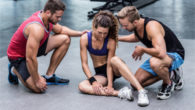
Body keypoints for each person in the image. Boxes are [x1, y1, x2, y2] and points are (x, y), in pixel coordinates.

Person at [7, 0, 87, 93]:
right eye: (58, 17)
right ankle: (14, 70)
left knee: (65, 39)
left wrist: (80, 33)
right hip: (18, 57)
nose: (59, 19)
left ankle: (49, 76)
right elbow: (30, 58)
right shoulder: (36, 28)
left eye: (60, 16)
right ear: (48, 12)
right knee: (38, 88)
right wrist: (37, 80)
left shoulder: (46, 18)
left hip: (33, 48)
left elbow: (61, 29)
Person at [78, 11, 149, 106]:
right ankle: (120, 93)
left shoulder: (111, 41)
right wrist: (93, 81)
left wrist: (110, 85)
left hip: (113, 68)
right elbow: (84, 64)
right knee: (82, 86)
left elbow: (109, 65)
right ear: (94, 27)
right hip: (101, 74)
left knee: (114, 59)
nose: (102, 36)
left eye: (105, 33)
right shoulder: (84, 39)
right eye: (100, 32)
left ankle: (141, 91)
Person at [116, 6, 185, 100]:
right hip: (159, 56)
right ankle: (171, 73)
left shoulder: (152, 27)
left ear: (135, 22)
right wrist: (116, 38)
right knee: (135, 84)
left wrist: (143, 50)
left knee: (154, 63)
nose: (123, 28)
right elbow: (137, 37)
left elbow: (161, 53)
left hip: (174, 54)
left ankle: (168, 83)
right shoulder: (137, 24)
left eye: (125, 25)